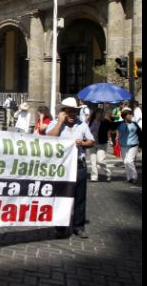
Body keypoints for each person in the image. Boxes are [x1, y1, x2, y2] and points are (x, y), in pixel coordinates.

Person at [46, 97, 94, 239]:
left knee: (80, 198)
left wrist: (84, 143)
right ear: (63, 112)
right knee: (61, 197)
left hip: (79, 166)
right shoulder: (55, 123)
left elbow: (91, 141)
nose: (73, 114)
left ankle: (78, 227)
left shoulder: (82, 125)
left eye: (75, 111)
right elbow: (48, 139)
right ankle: (60, 227)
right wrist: (60, 122)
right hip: (62, 167)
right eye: (70, 112)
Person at [114, 107, 140, 183]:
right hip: (123, 145)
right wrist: (116, 137)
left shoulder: (134, 124)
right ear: (125, 116)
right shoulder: (120, 124)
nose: (131, 116)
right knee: (125, 162)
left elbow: (140, 133)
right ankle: (129, 178)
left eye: (131, 114)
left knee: (129, 161)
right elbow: (115, 130)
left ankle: (134, 176)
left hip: (133, 145)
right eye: (129, 115)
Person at [87, 109, 112, 182]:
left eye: (102, 114)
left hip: (101, 143)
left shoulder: (105, 122)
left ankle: (108, 173)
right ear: (95, 114)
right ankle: (94, 177)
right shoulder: (91, 121)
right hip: (92, 143)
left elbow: (111, 128)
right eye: (99, 113)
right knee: (93, 161)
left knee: (100, 161)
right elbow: (88, 130)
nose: (100, 115)